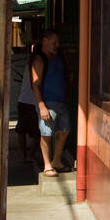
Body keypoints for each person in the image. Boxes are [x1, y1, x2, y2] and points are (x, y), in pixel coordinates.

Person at [22, 30, 73, 175]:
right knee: (46, 134)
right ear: (45, 41)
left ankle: (56, 160)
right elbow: (35, 85)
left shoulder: (59, 57)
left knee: (64, 131)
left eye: (57, 42)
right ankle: (47, 164)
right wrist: (41, 105)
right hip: (47, 102)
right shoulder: (39, 59)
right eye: (54, 42)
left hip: (61, 101)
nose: (57, 45)